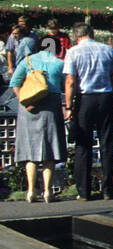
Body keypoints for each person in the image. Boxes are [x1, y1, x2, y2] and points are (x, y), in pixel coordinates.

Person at [63, 22, 113, 201]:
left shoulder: (72, 52)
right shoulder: (107, 50)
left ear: (75, 36)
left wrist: (69, 107)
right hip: (106, 97)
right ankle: (108, 190)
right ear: (92, 33)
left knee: (83, 145)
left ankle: (84, 192)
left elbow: (71, 81)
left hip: (84, 99)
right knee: (107, 144)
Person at [10, 44, 66, 202]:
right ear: (55, 49)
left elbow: (14, 83)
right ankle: (48, 192)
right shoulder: (59, 63)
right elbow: (64, 85)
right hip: (51, 107)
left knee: (30, 153)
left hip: (28, 108)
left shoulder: (27, 61)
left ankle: (30, 192)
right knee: (49, 152)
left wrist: (24, 100)